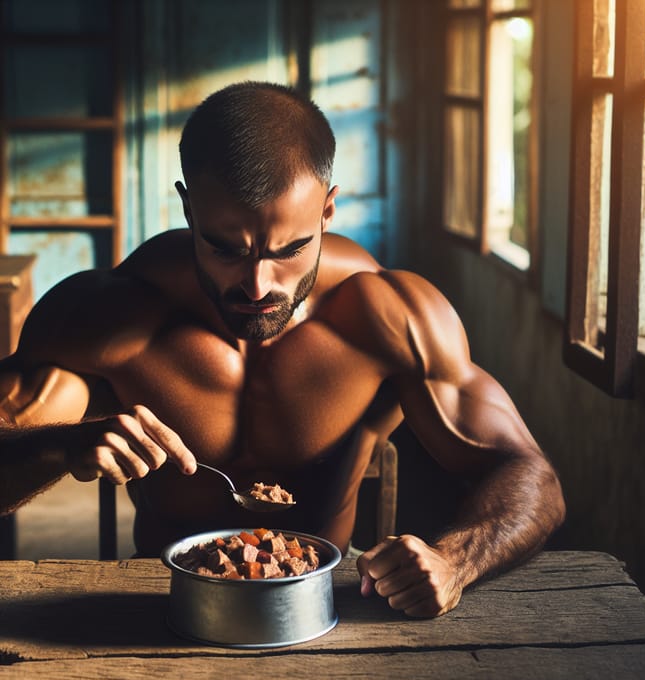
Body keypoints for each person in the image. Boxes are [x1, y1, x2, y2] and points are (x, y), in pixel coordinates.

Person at [0, 81, 564, 617]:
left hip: (331, 603)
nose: (257, 286)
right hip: (160, 600)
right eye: (226, 250)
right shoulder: (104, 318)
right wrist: (57, 446)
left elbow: (531, 475)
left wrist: (454, 561)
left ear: (327, 210)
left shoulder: (387, 316)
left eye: (291, 249)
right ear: (190, 209)